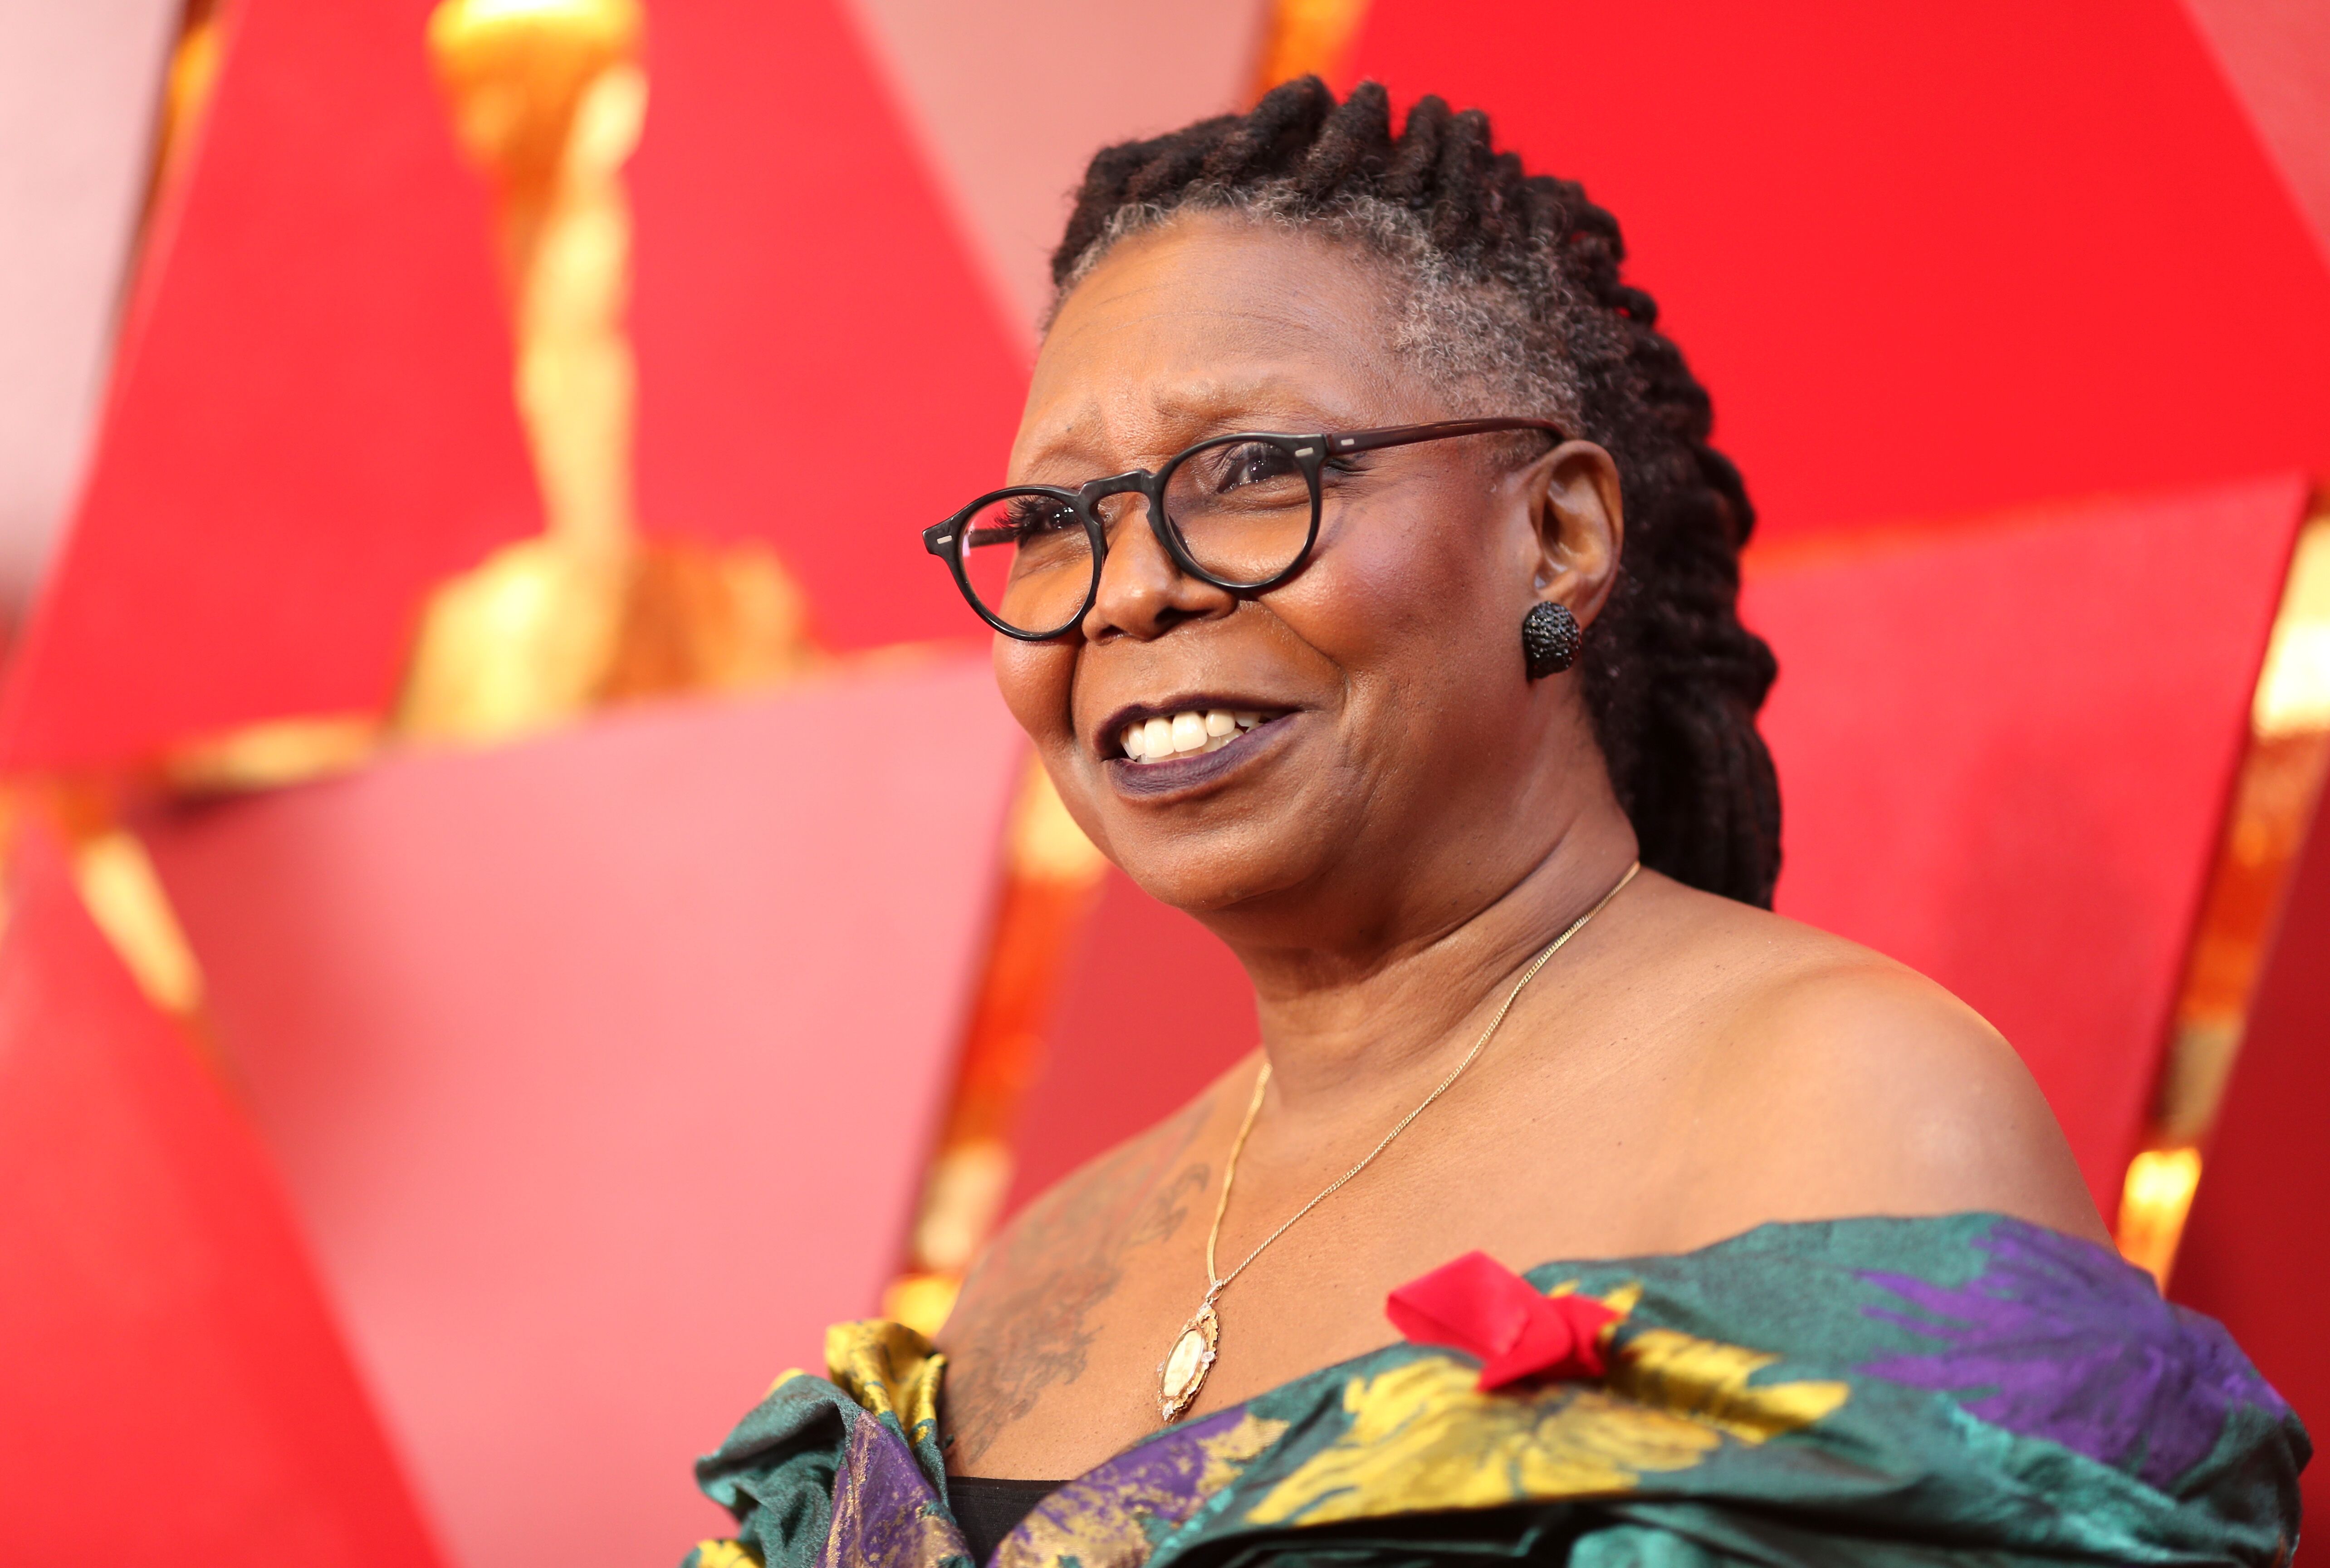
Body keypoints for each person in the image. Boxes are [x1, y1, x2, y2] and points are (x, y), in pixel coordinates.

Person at [681, 78, 2306, 1567]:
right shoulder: (1044, 1257)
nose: (1132, 586)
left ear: (1558, 534)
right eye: (1050, 523)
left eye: (1249, 470)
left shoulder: (1848, 1115)